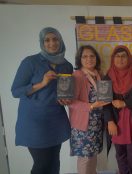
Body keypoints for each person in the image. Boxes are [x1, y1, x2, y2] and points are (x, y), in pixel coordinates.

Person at [11, 27, 73, 174]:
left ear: (60, 41)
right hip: (35, 122)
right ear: (42, 43)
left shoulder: (66, 65)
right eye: (47, 40)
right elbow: (16, 91)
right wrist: (42, 83)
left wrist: (66, 99)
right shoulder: (30, 62)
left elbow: (65, 92)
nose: (52, 43)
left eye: (55, 39)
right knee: (42, 164)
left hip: (56, 120)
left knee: (54, 162)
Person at [104, 45, 132, 174]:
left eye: (124, 56)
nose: (120, 59)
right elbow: (105, 102)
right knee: (120, 154)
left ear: (129, 58)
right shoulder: (108, 76)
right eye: (117, 56)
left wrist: (125, 103)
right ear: (113, 59)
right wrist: (110, 121)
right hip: (116, 121)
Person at [68, 45, 110, 174]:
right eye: (85, 56)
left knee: (93, 157)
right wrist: (91, 106)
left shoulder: (99, 75)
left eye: (92, 56)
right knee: (85, 159)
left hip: (96, 124)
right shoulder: (77, 76)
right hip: (83, 126)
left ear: (96, 58)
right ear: (79, 59)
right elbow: (71, 102)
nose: (89, 59)